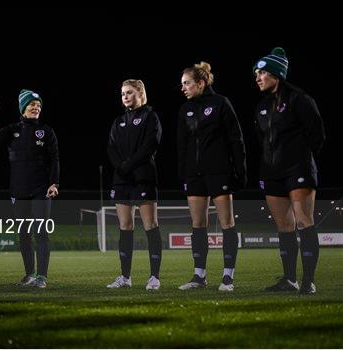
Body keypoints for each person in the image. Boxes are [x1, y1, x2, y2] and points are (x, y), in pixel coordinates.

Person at [253, 47, 325, 294]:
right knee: (284, 226)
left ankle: (308, 281)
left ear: (276, 73)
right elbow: (262, 141)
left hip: (299, 169)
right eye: (256, 74)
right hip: (272, 173)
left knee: (304, 221)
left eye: (262, 72)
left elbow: (318, 135)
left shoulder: (299, 99)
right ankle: (289, 279)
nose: (258, 78)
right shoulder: (261, 106)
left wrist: (300, 159)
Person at [176, 62, 247, 292]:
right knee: (198, 225)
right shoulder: (185, 109)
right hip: (194, 174)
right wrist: (183, 173)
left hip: (219, 172)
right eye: (182, 84)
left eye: (187, 83)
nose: (183, 88)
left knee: (227, 223)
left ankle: (228, 277)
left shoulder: (220, 103)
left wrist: (240, 170)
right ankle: (199, 276)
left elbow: (235, 139)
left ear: (201, 83)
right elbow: (182, 145)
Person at [0, 89, 59, 289]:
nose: (36, 107)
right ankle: (29, 274)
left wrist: (54, 183)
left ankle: (42, 276)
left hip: (41, 189)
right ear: (23, 108)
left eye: (39, 105)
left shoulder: (47, 131)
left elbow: (55, 159)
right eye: (32, 104)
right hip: (18, 190)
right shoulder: (12, 129)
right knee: (24, 234)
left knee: (40, 232)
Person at [106, 79, 162, 290]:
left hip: (143, 177)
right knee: (125, 227)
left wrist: (129, 164)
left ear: (140, 93)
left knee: (150, 225)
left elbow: (151, 144)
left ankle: (154, 277)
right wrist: (120, 166)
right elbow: (111, 147)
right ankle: (125, 277)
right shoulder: (118, 121)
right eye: (122, 94)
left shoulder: (151, 116)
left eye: (129, 92)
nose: (125, 97)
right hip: (122, 179)